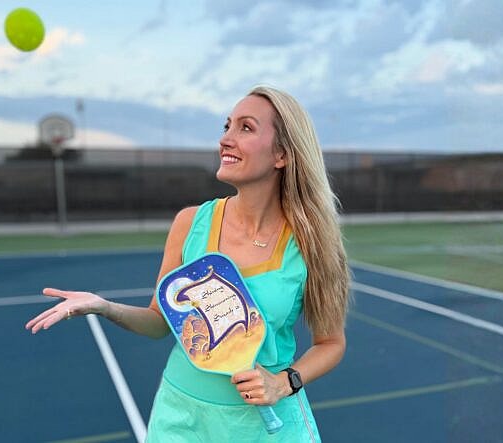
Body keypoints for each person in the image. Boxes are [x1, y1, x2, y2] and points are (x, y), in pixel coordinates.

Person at [25, 86, 350, 442]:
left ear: (282, 154)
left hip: (269, 427)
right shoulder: (190, 223)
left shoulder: (312, 242)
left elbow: (330, 343)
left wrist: (284, 383)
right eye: (227, 126)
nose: (225, 139)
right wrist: (104, 307)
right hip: (182, 420)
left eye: (245, 128)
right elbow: (159, 322)